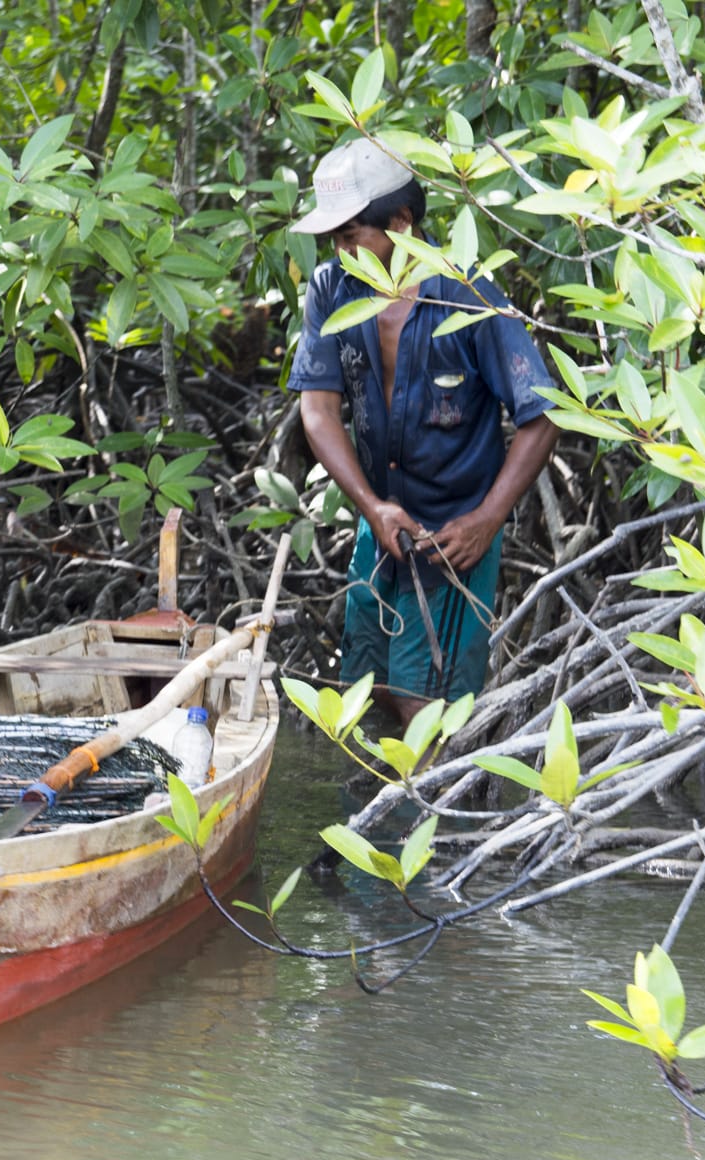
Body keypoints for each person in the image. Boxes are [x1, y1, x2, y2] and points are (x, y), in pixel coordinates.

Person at [287, 137, 560, 727]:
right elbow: (317, 411)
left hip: (456, 536)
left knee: (426, 710)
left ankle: (449, 817)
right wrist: (372, 508)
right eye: (332, 241)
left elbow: (542, 416)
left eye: (351, 236)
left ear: (403, 222)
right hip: (380, 527)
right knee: (365, 691)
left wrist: (487, 520)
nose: (340, 252)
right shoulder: (333, 288)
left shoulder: (468, 294)